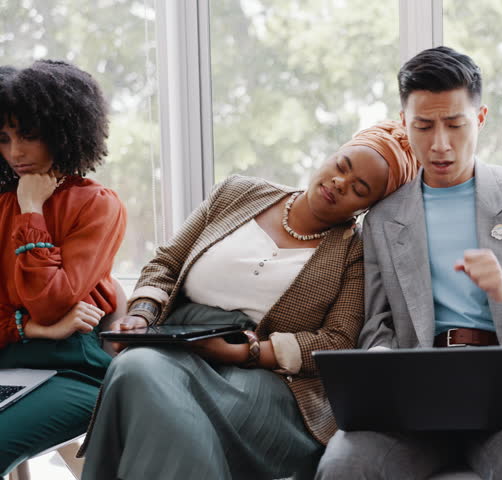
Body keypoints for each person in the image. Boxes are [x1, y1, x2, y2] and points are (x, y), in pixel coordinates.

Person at [316, 46, 502, 480]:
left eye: (455, 124)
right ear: (404, 123)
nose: (440, 144)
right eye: (424, 126)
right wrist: (383, 374)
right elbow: (378, 324)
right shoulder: (383, 219)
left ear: (480, 118)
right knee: (343, 467)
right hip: (415, 394)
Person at [79, 120, 418, 480]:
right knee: (137, 368)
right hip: (176, 344)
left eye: (359, 188)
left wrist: (248, 352)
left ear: (369, 207)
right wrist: (142, 316)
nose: (340, 183)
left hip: (264, 378)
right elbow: (167, 263)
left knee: (154, 390)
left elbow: (339, 341)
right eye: (341, 166)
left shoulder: (356, 250)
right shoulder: (236, 193)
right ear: (330, 156)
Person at [0, 60, 127, 476]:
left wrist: (32, 209)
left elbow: (52, 302)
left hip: (73, 371)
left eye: (29, 137)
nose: (15, 153)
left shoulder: (97, 204)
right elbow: (44, 316)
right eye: (4, 139)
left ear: (62, 131)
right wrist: (29, 328)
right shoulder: (1, 205)